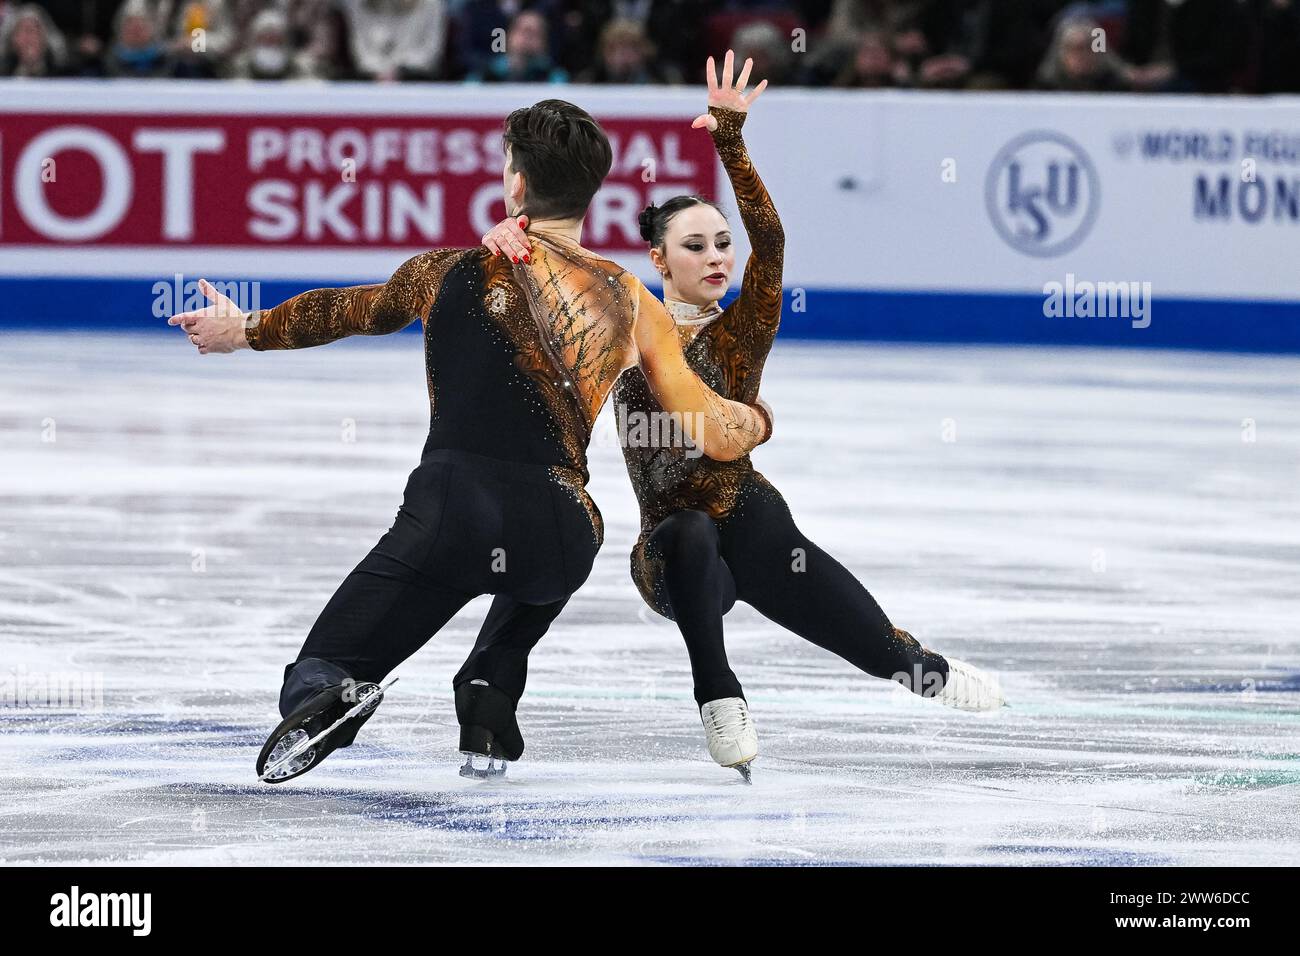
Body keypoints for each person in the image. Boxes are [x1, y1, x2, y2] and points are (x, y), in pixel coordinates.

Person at [166, 97, 771, 783]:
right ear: (594, 190)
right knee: (570, 529)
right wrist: (758, 419)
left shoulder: (447, 270)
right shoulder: (635, 301)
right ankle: (490, 683)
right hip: (560, 532)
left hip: (451, 514)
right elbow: (714, 434)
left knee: (322, 666)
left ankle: (331, 694)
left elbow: (346, 311)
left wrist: (244, 329)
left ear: (516, 183)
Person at [478, 51, 1006, 781]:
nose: (717, 257)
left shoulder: (742, 329)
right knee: (690, 529)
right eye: (695, 246)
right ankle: (717, 692)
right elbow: (547, 277)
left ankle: (922, 665)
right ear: (658, 260)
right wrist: (509, 236)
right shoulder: (621, 319)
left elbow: (775, 241)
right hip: (669, 552)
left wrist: (730, 139)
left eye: (723, 243)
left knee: (887, 655)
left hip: (757, 525)